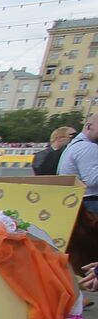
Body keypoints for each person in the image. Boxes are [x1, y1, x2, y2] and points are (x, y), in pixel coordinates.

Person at [59, 111, 98, 272]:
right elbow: (93, 179)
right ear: (89, 126)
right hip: (91, 203)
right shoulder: (87, 147)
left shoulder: (74, 146)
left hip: (79, 203)